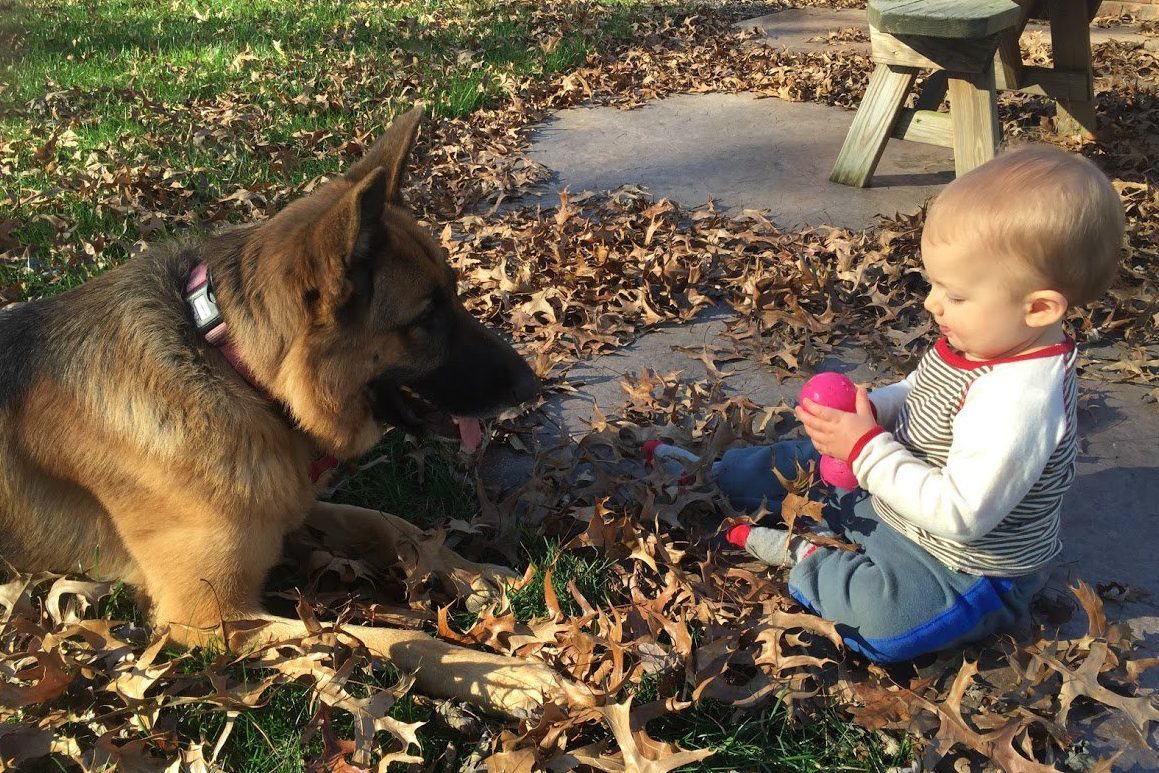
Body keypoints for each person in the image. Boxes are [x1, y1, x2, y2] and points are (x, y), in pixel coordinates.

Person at [646, 146, 1125, 662]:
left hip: (958, 562)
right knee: (800, 461)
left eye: (956, 295)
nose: (931, 303)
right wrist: (875, 410)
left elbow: (961, 515)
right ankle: (713, 475)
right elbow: (923, 390)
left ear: (1038, 308)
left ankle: (806, 553)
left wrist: (868, 450)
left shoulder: (1021, 400)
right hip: (899, 495)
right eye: (934, 284)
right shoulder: (981, 341)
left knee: (883, 625)